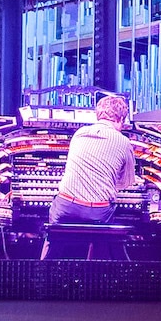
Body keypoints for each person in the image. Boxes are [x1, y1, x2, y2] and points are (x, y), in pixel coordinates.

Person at [48, 95, 137, 225]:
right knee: (116, 214)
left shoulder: (80, 133)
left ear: (98, 115)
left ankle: (52, 238)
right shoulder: (124, 142)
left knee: (54, 215)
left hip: (67, 206)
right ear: (121, 119)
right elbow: (125, 182)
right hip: (98, 211)